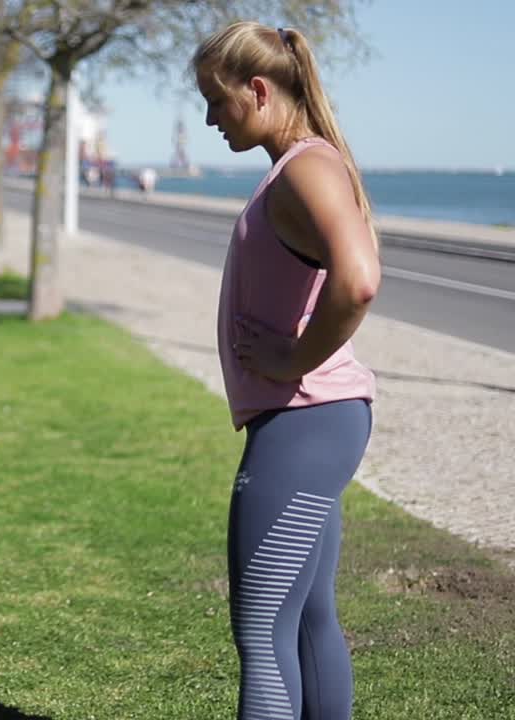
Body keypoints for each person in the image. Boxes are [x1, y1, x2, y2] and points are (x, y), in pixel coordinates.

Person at [192, 22, 381, 720]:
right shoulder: (305, 165)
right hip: (313, 423)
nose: (210, 118)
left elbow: (358, 281)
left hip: (303, 424)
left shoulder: (305, 166)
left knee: (263, 634)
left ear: (260, 90)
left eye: (216, 100)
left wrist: (291, 359)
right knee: (305, 624)